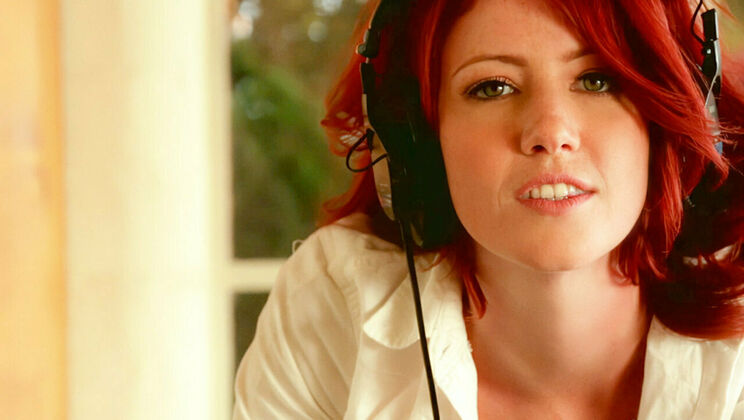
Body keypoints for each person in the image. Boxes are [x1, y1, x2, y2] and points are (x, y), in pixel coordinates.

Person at [233, 0, 744, 418]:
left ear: (675, 116)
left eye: (597, 80)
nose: (550, 132)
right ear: (416, 137)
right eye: (492, 87)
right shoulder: (334, 306)